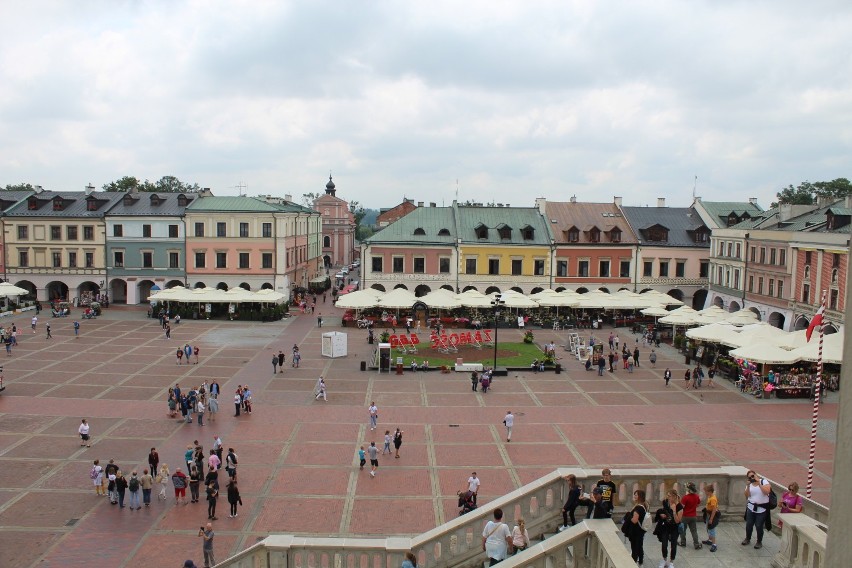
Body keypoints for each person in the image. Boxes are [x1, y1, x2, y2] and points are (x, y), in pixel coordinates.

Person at [742, 469, 771, 549]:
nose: (751, 478)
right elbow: (747, 495)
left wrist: (759, 484)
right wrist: (748, 486)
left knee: (759, 525)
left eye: (752, 476)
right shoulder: (749, 485)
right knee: (749, 524)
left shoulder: (763, 482)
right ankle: (747, 538)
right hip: (751, 507)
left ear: (755, 475)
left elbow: (767, 492)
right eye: (749, 477)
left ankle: (759, 541)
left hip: (762, 508)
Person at [655, 489, 683, 568]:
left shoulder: (679, 507)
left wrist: (674, 511)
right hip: (666, 526)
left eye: (669, 496)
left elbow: (678, 521)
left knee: (673, 545)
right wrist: (662, 514)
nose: (668, 497)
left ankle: (671, 561)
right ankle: (664, 559)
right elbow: (664, 511)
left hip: (675, 527)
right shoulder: (665, 502)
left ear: (674, 497)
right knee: (664, 544)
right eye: (667, 495)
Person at [624, 489, 649, 566]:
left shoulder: (638, 508)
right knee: (639, 546)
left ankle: (634, 562)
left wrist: (628, 516)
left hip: (635, 531)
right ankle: (640, 560)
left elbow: (634, 520)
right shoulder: (644, 505)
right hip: (640, 530)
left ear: (640, 497)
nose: (634, 496)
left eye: (636, 495)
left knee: (634, 547)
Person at [680, 482, 702, 549]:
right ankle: (696, 544)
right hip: (693, 516)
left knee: (683, 530)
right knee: (694, 531)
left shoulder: (685, 498)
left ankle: (683, 542)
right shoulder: (697, 496)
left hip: (685, 516)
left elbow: (682, 507)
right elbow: (698, 504)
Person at [701, 484, 720, 552]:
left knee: (711, 529)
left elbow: (714, 509)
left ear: (709, 491)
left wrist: (711, 519)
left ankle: (714, 544)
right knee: (708, 528)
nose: (705, 493)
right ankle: (709, 540)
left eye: (706, 491)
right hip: (708, 514)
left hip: (712, 515)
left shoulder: (713, 499)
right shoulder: (710, 497)